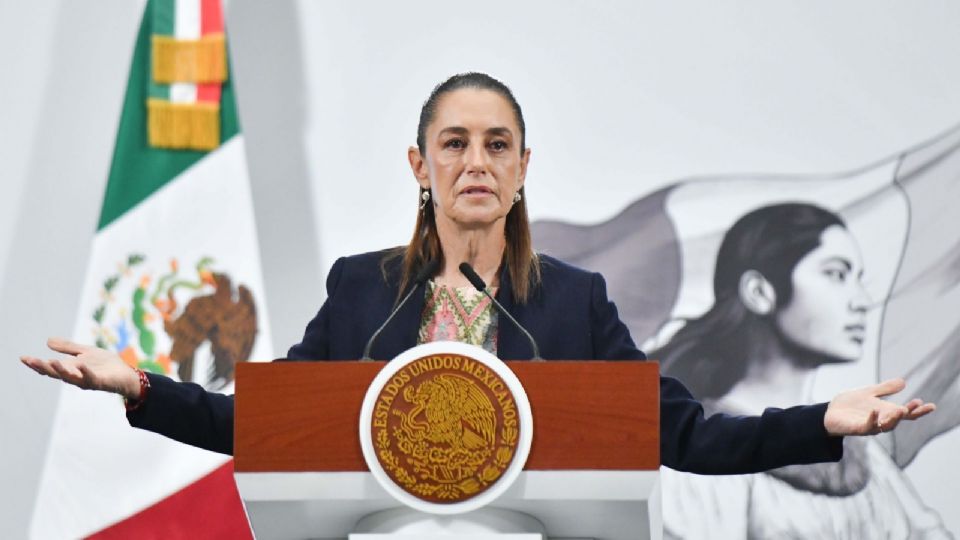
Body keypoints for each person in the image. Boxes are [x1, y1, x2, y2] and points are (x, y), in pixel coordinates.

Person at [21, 73, 934, 472]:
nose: (475, 163)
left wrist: (825, 420)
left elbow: (685, 437)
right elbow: (262, 427)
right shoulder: (361, 293)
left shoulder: (575, 302)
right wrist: (139, 385)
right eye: (452, 144)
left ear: (524, 167)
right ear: (418, 167)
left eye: (497, 145)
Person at [654, 203, 950, 538]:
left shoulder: (864, 457)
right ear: (759, 292)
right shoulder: (699, 452)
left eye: (858, 279)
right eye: (836, 274)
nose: (862, 300)